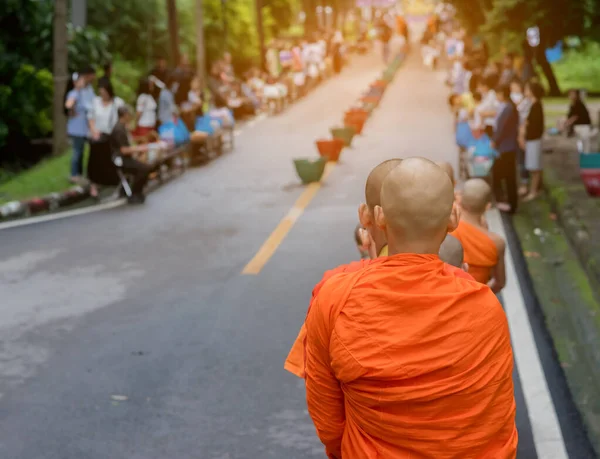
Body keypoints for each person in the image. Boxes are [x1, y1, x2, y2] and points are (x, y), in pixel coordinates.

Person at [304, 158, 517, 458]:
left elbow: (327, 417)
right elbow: (496, 418)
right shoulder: (484, 305)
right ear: (453, 219)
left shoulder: (334, 298)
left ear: (379, 217)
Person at [285, 159, 474, 379]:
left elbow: (321, 390)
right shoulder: (471, 294)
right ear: (450, 218)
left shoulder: (333, 291)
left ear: (369, 215)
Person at [453, 178, 506, 292]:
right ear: (487, 206)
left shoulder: (448, 227)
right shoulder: (497, 243)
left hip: (447, 295)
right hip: (475, 299)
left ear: (460, 199)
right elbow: (499, 283)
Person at [87, 80, 125, 197]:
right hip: (97, 135)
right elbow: (91, 117)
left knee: (109, 158)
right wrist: (94, 131)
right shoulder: (96, 102)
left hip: (111, 135)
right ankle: (94, 183)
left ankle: (109, 180)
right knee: (95, 159)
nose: (102, 95)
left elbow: (122, 118)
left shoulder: (117, 102)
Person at [110, 106, 153, 204]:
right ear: (125, 115)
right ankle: (135, 192)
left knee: (144, 166)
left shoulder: (123, 127)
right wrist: (139, 148)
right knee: (144, 168)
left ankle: (135, 191)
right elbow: (124, 150)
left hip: (125, 158)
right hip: (120, 160)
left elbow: (129, 143)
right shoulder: (119, 129)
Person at [491, 84, 520, 213]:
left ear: (502, 94)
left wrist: (495, 141)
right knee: (504, 175)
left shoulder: (508, 108)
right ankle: (505, 200)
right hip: (506, 146)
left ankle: (509, 203)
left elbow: (502, 128)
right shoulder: (507, 106)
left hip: (506, 147)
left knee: (507, 176)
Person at [521, 81, 545, 201]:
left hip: (534, 140)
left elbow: (535, 126)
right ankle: (535, 189)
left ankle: (533, 191)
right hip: (533, 140)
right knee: (535, 166)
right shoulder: (533, 105)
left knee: (535, 167)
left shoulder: (536, 106)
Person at [64, 74, 89, 183]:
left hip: (81, 129)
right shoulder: (74, 93)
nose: (83, 82)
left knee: (81, 152)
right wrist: (73, 112)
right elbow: (69, 105)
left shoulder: (81, 93)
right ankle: (74, 175)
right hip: (76, 129)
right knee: (77, 152)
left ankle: (79, 174)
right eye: (81, 80)